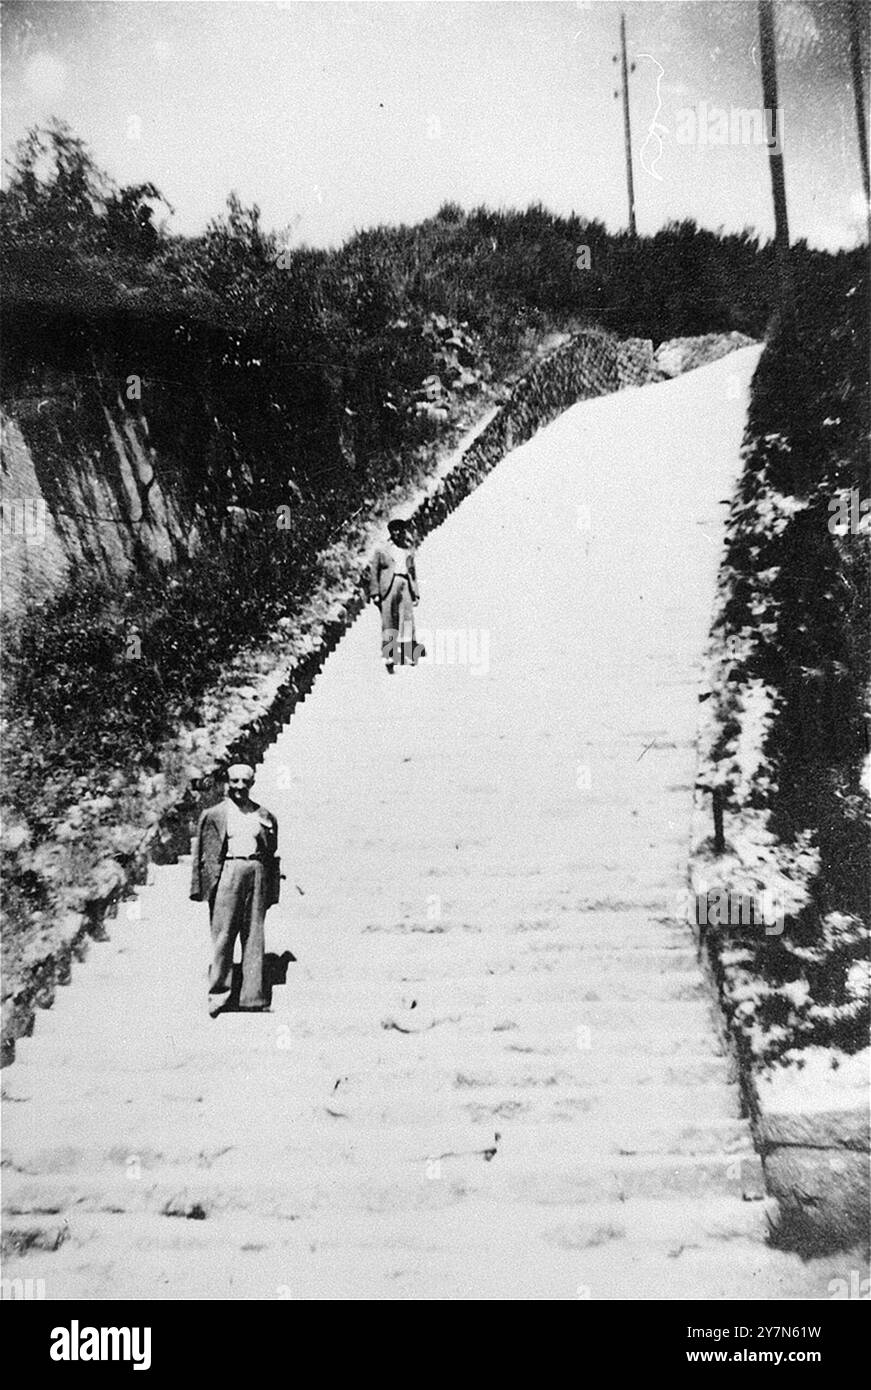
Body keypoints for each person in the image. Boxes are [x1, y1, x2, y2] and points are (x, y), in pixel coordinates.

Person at [190, 762, 280, 1017]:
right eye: (234, 781)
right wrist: (204, 888)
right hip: (227, 872)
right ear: (227, 783)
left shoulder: (264, 815)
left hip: (256, 871)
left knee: (254, 935)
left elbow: (271, 852)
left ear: (252, 784)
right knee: (224, 935)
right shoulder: (214, 814)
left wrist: (271, 888)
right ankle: (219, 995)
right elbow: (203, 856)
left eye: (245, 782)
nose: (239, 787)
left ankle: (253, 997)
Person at [368, 517, 423, 672]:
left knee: (407, 620)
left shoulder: (408, 548)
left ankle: (410, 654)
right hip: (388, 587)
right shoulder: (382, 549)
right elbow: (374, 571)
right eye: (394, 531)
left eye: (399, 530)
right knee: (388, 622)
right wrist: (375, 592)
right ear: (391, 532)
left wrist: (416, 592)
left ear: (403, 531)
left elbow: (412, 571)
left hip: (404, 583)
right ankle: (390, 657)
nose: (396, 533)